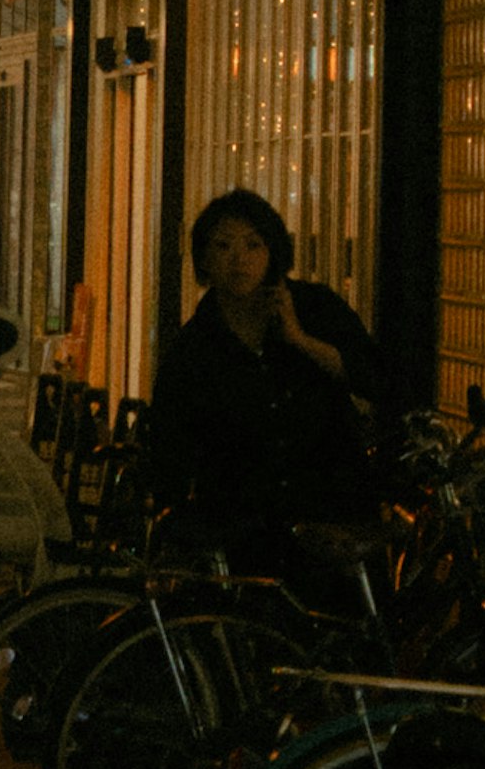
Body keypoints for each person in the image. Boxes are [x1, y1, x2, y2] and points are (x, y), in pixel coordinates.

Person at [134, 193, 385, 561]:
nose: (239, 259)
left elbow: (371, 377)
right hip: (246, 530)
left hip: (333, 516)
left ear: (272, 253)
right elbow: (171, 445)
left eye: (253, 244)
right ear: (204, 259)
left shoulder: (315, 308)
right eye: (223, 246)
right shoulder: (194, 347)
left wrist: (300, 341)